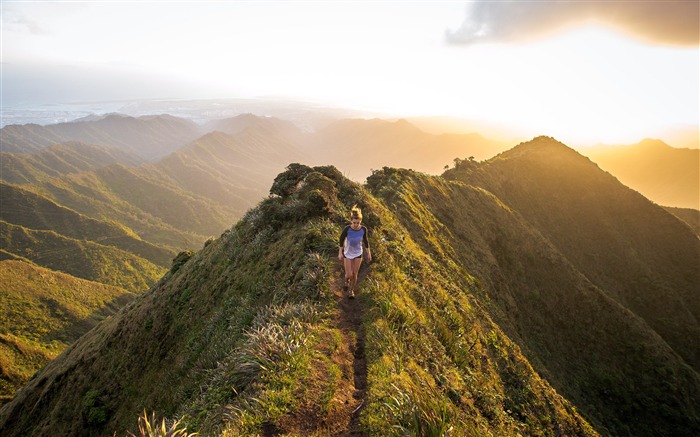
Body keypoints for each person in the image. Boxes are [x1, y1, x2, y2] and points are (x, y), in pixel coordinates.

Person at [338, 205, 371, 298]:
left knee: (354, 274)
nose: (356, 225)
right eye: (354, 222)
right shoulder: (347, 229)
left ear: (360, 221)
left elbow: (366, 241)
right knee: (348, 274)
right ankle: (346, 281)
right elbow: (341, 240)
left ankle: (351, 291)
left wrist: (368, 253)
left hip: (358, 253)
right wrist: (340, 252)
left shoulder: (363, 229)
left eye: (358, 223)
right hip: (347, 253)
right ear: (351, 221)